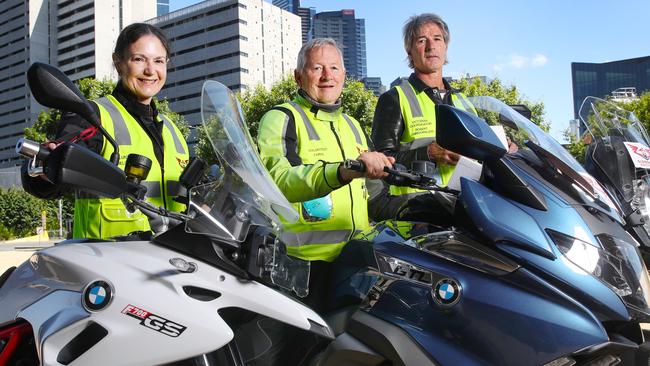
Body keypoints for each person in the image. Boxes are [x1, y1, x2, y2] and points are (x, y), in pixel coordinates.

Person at [22, 23, 188, 239]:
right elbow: (53, 172)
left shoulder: (173, 130)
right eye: (139, 59)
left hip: (172, 259)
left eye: (158, 61)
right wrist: (45, 168)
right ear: (118, 62)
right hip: (104, 260)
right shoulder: (93, 116)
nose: (150, 70)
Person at [370, 13, 481, 221]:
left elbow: (481, 152)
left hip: (465, 209)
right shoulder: (395, 98)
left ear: (445, 46)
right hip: (415, 214)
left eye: (437, 39)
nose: (431, 46)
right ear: (409, 52)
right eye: (422, 41)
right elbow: (380, 165)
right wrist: (427, 153)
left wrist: (502, 145)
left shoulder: (464, 102)